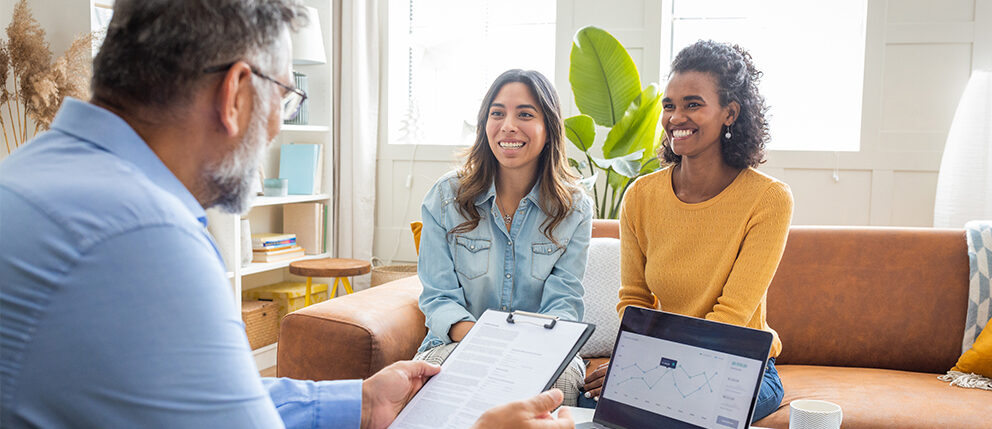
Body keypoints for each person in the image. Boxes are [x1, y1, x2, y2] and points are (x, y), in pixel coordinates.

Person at [0, 1, 572, 428]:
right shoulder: (145, 238)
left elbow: (211, 399)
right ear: (236, 94)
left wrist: (359, 401)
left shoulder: (31, 176)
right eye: (285, 98)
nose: (278, 124)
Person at [580, 40, 793, 422]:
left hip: (740, 366)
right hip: (660, 360)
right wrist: (633, 368)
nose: (676, 117)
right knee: (591, 406)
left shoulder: (768, 199)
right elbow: (634, 299)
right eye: (669, 105)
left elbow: (732, 314)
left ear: (730, 113)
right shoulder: (641, 196)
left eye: (693, 104)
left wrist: (655, 375)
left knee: (680, 411)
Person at [416, 69, 594, 406]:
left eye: (525, 114)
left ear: (548, 127)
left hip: (541, 347)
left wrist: (520, 351)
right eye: (497, 113)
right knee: (429, 387)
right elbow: (438, 297)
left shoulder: (575, 208)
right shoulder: (445, 196)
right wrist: (488, 344)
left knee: (565, 383)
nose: (508, 125)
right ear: (486, 124)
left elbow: (564, 303)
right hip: (457, 341)